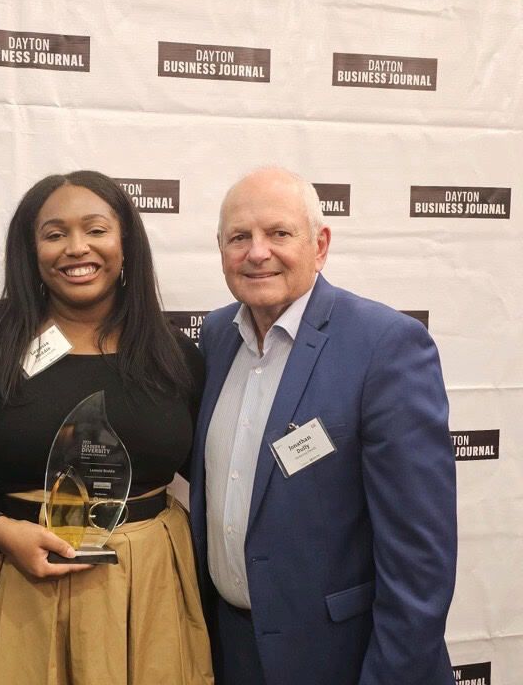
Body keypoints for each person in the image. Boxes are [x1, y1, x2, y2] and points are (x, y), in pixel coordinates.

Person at [0, 171, 214, 685]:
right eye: (54, 233)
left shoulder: (172, 354)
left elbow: (218, 474)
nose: (76, 248)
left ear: (126, 243)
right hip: (12, 583)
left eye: (96, 230)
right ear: (31, 250)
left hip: (146, 590)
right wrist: (1, 532)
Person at [189, 167, 457, 685]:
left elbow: (419, 563)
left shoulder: (386, 346)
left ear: (321, 244)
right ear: (220, 248)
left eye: (279, 233)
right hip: (231, 650)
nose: (257, 252)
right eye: (239, 237)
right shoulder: (217, 335)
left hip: (342, 658)